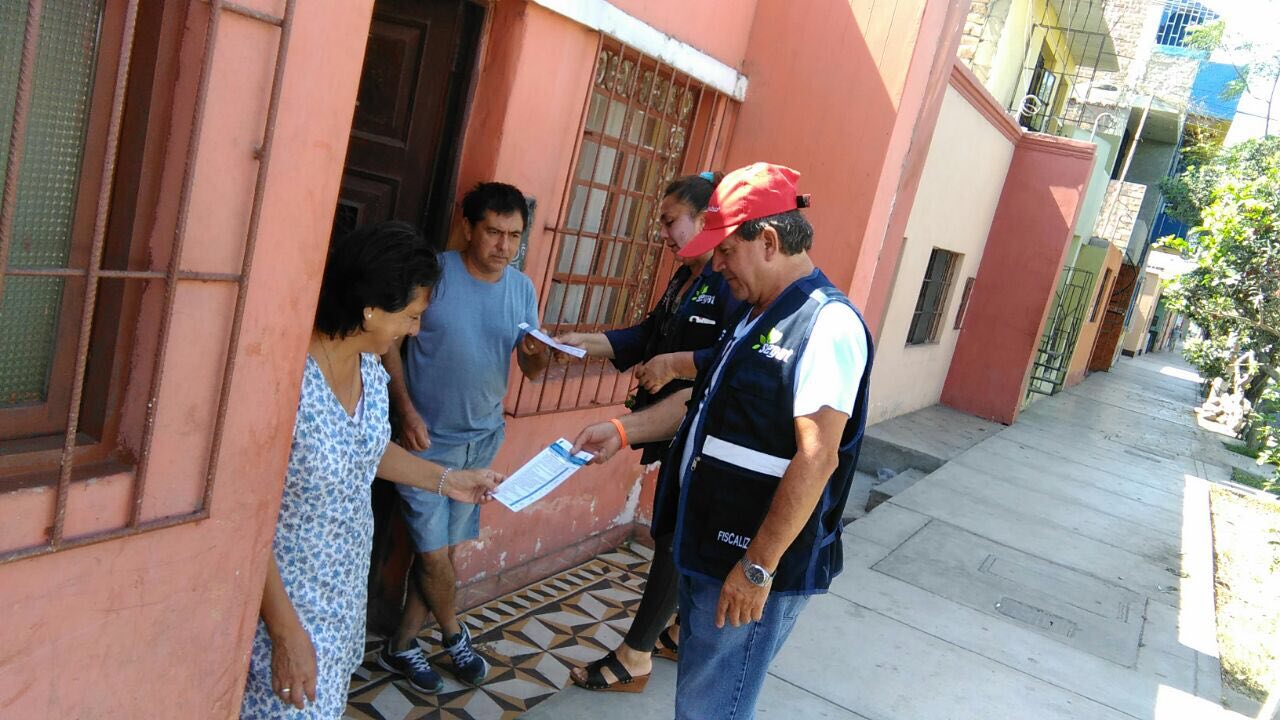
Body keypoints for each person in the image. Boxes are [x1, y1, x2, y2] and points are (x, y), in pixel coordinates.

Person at [570, 162, 874, 719]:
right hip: (709, 551)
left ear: (768, 241)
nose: (717, 265)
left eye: (727, 251)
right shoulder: (756, 317)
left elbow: (817, 457)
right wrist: (623, 430)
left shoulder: (826, 326)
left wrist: (757, 568)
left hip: (746, 566)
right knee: (701, 700)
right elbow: (701, 404)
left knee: (713, 709)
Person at [239, 222, 503, 719]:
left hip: (342, 594)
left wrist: (448, 480)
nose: (415, 330)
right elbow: (246, 519)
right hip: (284, 601)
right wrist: (284, 630)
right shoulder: (286, 379)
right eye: (411, 316)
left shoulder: (370, 368)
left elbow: (368, 449)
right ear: (371, 309)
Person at [554, 172, 741, 692]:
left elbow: (722, 367)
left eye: (669, 220)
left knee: (674, 535)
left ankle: (635, 654)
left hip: (703, 432)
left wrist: (672, 370)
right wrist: (583, 343)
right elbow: (646, 335)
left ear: (704, 221)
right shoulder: (684, 278)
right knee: (677, 531)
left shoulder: (728, 285)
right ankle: (677, 632)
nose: (661, 233)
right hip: (670, 425)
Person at [379, 182, 551, 692]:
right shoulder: (435, 275)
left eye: (514, 236)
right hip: (425, 441)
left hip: (483, 439)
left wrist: (541, 354)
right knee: (434, 554)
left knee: (445, 551)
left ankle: (401, 645)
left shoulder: (521, 289)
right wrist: (405, 409)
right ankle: (455, 635)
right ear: (468, 227)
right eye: (494, 232)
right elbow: (388, 341)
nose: (504, 246)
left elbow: (532, 370)